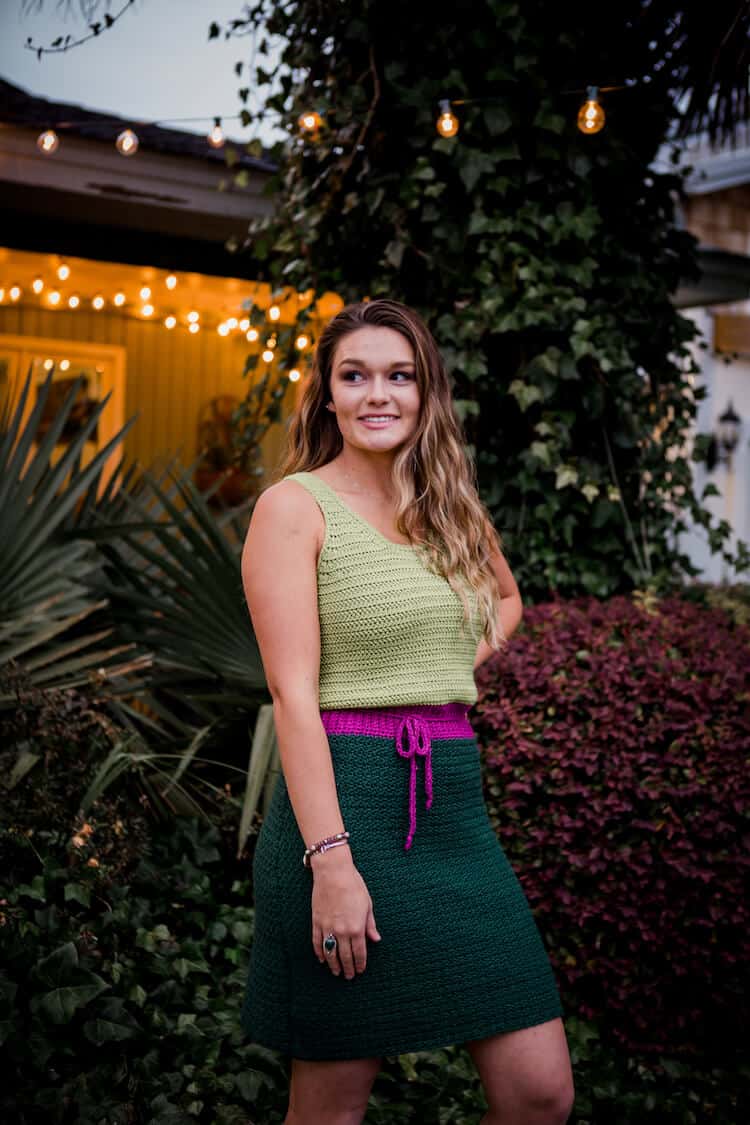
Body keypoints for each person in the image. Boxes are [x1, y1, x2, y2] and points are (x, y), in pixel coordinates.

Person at [239, 298, 575, 1125]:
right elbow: (294, 698)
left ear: (427, 394)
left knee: (541, 1093)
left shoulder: (448, 506)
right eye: (354, 376)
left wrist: (443, 664)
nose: (377, 394)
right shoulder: (296, 507)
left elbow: (506, 597)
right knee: (331, 1111)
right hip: (346, 812)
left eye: (400, 375)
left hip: (455, 820)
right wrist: (332, 863)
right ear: (326, 394)